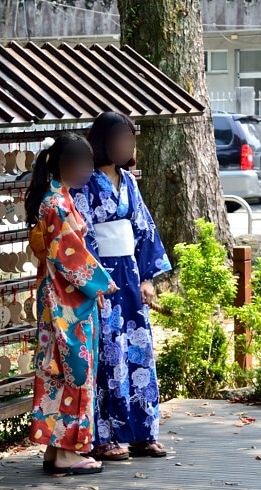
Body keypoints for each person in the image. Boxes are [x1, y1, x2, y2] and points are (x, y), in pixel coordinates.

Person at [72, 111, 172, 461]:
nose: (124, 146)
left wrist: (147, 278)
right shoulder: (84, 182)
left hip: (129, 274)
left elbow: (145, 229)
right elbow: (81, 237)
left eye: (128, 140)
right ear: (101, 142)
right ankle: (104, 436)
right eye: (117, 140)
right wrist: (96, 283)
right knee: (107, 356)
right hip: (103, 279)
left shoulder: (129, 181)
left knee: (138, 352)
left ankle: (144, 431)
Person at [26, 133, 118, 475]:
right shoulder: (57, 204)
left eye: (89, 163)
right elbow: (69, 256)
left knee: (58, 371)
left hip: (59, 296)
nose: (86, 170)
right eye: (80, 163)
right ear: (62, 164)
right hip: (67, 299)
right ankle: (67, 452)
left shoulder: (56, 198)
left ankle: (55, 447)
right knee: (74, 371)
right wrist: (101, 283)